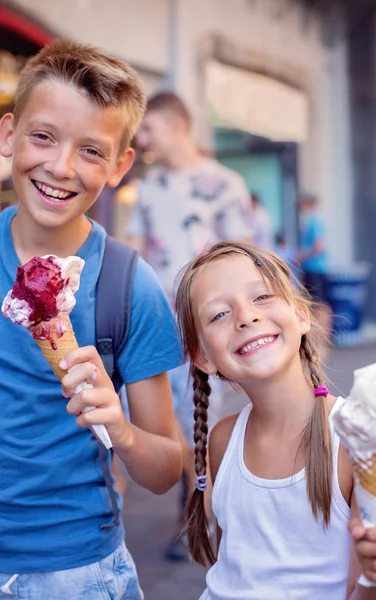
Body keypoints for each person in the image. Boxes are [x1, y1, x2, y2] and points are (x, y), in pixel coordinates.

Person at [0, 39, 183, 599]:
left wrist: (120, 428)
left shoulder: (129, 286)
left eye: (91, 150)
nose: (59, 166)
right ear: (8, 136)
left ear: (120, 166)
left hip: (73, 570)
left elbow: (165, 467)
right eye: (42, 136)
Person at [174, 240, 376, 599]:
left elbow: (368, 590)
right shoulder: (222, 441)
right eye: (219, 314)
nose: (246, 316)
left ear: (302, 315)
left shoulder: (359, 442)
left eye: (262, 297)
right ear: (202, 356)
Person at [126, 91, 252, 560]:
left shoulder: (226, 185)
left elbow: (244, 261)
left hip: (206, 327)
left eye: (150, 128)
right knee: (164, 420)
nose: (143, 138)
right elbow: (134, 249)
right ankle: (193, 515)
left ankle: (209, 519)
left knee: (206, 423)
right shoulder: (150, 186)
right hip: (156, 325)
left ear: (176, 125)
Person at [297, 192, 332, 354]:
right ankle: (321, 342)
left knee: (318, 305)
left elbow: (319, 247)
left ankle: (321, 342)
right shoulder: (316, 220)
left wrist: (301, 256)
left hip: (314, 267)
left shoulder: (313, 221)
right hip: (315, 267)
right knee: (318, 303)